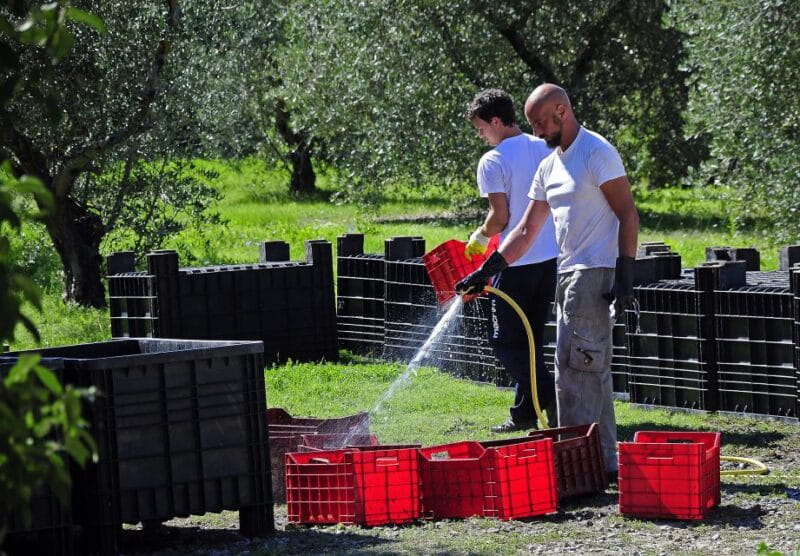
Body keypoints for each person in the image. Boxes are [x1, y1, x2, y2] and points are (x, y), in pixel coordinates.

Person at [456, 83, 639, 479]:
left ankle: (584, 465)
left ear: (561, 111)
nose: (536, 133)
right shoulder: (548, 165)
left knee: (577, 371)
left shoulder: (596, 153)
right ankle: (599, 461)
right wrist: (489, 269)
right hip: (566, 272)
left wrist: (625, 274)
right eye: (532, 124)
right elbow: (524, 230)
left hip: (595, 273)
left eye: (540, 123)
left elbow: (628, 213)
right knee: (580, 370)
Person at [464, 89, 559, 433]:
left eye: (480, 129)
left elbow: (500, 218)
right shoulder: (544, 146)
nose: (481, 136)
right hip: (549, 259)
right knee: (531, 339)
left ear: (496, 121)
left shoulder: (493, 160)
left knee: (505, 341)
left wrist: (479, 235)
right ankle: (524, 415)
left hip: (514, 262)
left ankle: (548, 393)